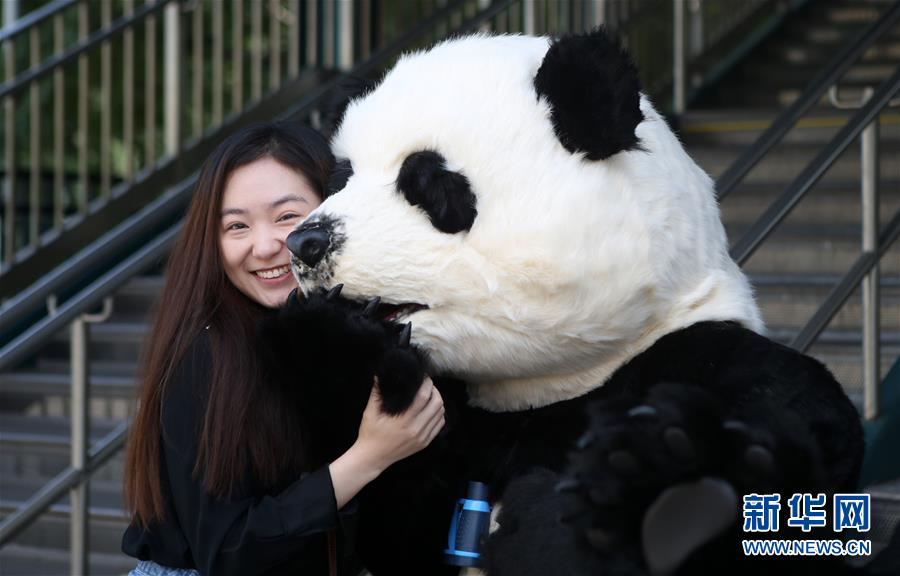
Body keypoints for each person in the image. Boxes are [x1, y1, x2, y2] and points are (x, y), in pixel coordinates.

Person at [122, 122, 445, 576]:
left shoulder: (354, 332)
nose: (266, 245)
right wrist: (370, 456)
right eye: (237, 226)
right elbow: (227, 551)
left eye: (288, 217)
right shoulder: (205, 353)